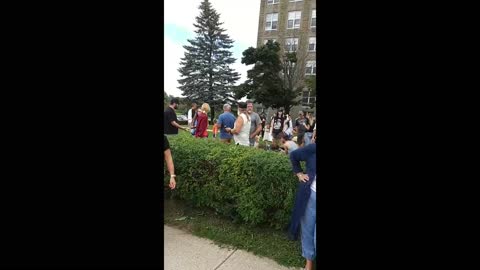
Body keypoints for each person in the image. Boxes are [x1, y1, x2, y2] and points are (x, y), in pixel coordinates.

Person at [288, 143, 316, 270]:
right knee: (308, 230)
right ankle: (308, 263)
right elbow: (294, 155)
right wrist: (299, 173)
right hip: (310, 196)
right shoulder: (313, 148)